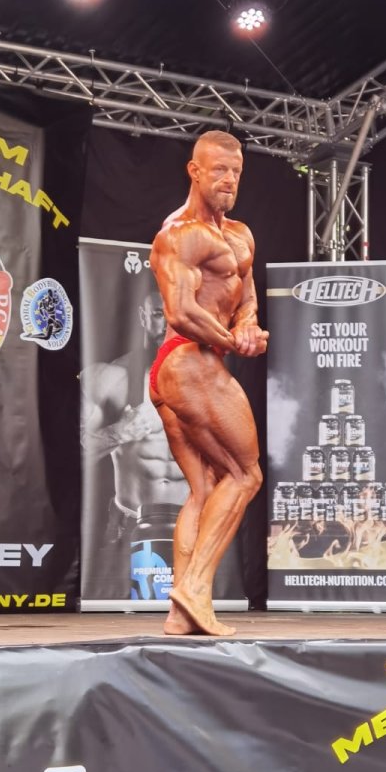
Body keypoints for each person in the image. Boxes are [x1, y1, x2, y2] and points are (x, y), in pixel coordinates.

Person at [148, 130, 269, 637]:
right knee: (245, 475)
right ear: (194, 172)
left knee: (204, 488)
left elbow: (247, 296)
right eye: (219, 170)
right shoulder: (179, 234)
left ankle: (181, 615)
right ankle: (195, 588)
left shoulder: (240, 235)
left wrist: (248, 326)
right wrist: (232, 340)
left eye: (236, 172)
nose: (229, 180)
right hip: (188, 360)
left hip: (185, 367)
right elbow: (181, 311)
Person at [80, 290, 188, 588]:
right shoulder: (109, 377)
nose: (168, 326)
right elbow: (69, 459)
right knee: (118, 607)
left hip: (192, 526)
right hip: (130, 523)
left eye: (176, 318)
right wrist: (120, 432)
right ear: (142, 317)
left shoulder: (211, 382)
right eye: (158, 314)